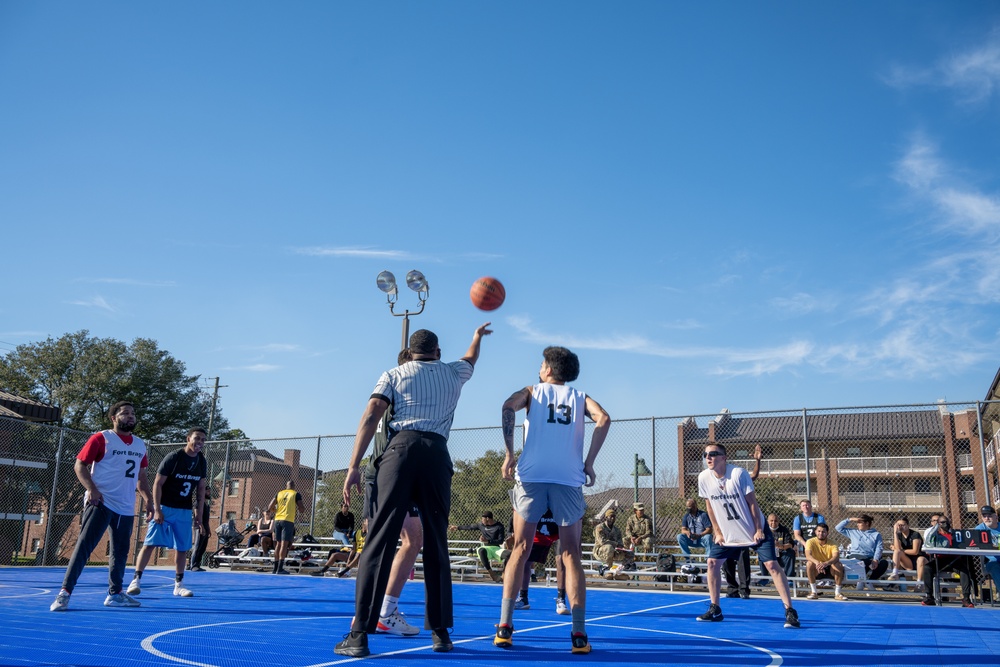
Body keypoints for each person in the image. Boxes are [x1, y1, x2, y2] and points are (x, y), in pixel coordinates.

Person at [334, 324, 491, 658]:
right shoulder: (452, 372)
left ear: (411, 350)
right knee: (436, 542)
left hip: (400, 453)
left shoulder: (393, 373)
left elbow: (372, 413)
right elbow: (471, 359)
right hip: (436, 454)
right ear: (437, 351)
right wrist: (476, 336)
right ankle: (441, 634)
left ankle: (359, 635)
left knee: (380, 541)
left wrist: (353, 466)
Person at [494, 345, 610, 654]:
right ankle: (579, 634)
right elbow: (604, 419)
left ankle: (505, 626)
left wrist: (509, 452)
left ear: (548, 369)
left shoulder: (532, 392)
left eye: (542, 363)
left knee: (520, 548)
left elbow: (507, 406)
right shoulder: (581, 398)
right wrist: (589, 462)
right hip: (568, 478)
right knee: (571, 555)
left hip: (532, 476)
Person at [50, 401, 154, 611]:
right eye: (125, 413)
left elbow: (141, 477)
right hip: (102, 502)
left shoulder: (139, 445)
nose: (131, 416)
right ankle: (64, 593)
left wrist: (149, 500)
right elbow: (80, 465)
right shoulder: (101, 438)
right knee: (84, 547)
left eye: (133, 413)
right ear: (114, 418)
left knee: (120, 552)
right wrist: (93, 490)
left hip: (125, 507)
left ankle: (115, 594)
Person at [695, 444, 800, 629]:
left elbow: (752, 503)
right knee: (712, 563)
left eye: (712, 454)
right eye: (705, 454)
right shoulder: (703, 478)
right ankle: (715, 609)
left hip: (752, 529)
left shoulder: (738, 474)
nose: (708, 457)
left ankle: (790, 611)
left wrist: (759, 529)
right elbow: (709, 506)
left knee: (771, 565)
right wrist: (717, 531)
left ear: (723, 457)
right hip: (728, 532)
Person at [127, 427, 208, 599]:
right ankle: (136, 580)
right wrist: (157, 509)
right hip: (165, 507)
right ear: (188, 438)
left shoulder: (201, 461)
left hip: (184, 510)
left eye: (203, 440)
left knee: (183, 548)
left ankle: (179, 585)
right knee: (150, 543)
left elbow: (201, 490)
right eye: (197, 438)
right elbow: (157, 484)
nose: (199, 442)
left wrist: (199, 515)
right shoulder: (174, 457)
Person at [509, 509, 560, 610]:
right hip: (537, 535)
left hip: (559, 529)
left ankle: (562, 599)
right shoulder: (530, 503)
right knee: (524, 563)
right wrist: (511, 532)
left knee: (564, 562)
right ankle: (523, 598)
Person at [921, 515, 974, 607]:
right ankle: (929, 597)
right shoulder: (935, 535)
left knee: (964, 571)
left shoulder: (956, 534)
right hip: (940, 560)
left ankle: (966, 598)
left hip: (954, 560)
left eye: (946, 522)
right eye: (942, 522)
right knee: (927, 568)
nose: (945, 524)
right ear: (938, 524)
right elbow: (928, 547)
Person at [449, 511, 507, 582]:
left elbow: (500, 541)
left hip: (496, 548)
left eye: (483, 519)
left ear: (488, 518)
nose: (481, 520)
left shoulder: (499, 526)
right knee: (481, 550)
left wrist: (488, 541)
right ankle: (492, 574)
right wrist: (457, 527)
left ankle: (504, 575)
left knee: (509, 555)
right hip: (486, 548)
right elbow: (470, 527)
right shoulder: (481, 525)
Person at [835, 515, 889, 589]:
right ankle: (860, 580)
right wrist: (849, 519)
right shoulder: (853, 532)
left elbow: (879, 548)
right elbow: (838, 528)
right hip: (855, 557)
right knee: (863, 562)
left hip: (869, 559)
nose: (857, 524)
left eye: (860, 522)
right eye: (857, 522)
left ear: (867, 523)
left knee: (884, 563)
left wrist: (875, 559)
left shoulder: (876, 535)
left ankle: (869, 581)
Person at [268, 480, 306, 575]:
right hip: (287, 520)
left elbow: (269, 507)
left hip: (278, 520)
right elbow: (301, 509)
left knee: (278, 544)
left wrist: (276, 510)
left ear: (286, 486)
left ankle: (275, 568)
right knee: (284, 545)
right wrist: (301, 509)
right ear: (294, 486)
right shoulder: (295, 494)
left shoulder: (279, 493)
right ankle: (280, 568)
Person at [804, 522, 848, 600]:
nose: (821, 533)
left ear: (827, 533)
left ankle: (837, 593)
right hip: (817, 568)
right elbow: (808, 556)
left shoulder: (833, 543)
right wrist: (817, 563)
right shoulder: (810, 542)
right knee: (809, 564)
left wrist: (826, 563)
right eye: (819, 531)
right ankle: (814, 592)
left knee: (838, 564)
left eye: (823, 531)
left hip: (830, 568)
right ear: (815, 532)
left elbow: (836, 557)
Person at [887, 516, 926, 591]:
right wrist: (895, 533)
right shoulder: (899, 535)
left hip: (919, 561)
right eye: (899, 525)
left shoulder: (915, 534)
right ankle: (895, 573)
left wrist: (901, 550)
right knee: (896, 551)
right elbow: (897, 549)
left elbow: (915, 551)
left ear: (908, 525)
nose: (900, 527)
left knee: (920, 559)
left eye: (903, 525)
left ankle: (919, 583)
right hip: (908, 562)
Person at [593, 509, 634, 575]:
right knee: (609, 547)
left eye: (614, 517)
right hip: (600, 552)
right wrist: (615, 544)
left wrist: (622, 548)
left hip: (614, 551)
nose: (613, 518)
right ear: (606, 517)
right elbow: (602, 542)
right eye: (611, 516)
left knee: (630, 553)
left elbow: (620, 543)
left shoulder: (617, 530)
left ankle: (623, 571)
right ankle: (608, 570)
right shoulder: (600, 527)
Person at [758, 513, 796, 582]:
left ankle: (789, 579)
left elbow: (790, 544)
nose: (773, 522)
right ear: (767, 521)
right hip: (769, 555)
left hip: (781, 555)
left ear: (779, 521)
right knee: (761, 554)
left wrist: (781, 546)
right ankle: (764, 578)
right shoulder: (763, 530)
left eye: (775, 521)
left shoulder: (784, 530)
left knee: (791, 552)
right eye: (771, 520)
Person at [971, 506, 1000, 594]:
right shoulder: (979, 529)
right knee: (995, 567)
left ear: (996, 516)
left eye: (989, 516)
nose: (987, 518)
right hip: (990, 561)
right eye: (984, 516)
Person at [188, 497, 211, 571]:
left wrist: (208, 529)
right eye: (207, 491)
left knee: (202, 547)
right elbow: (197, 516)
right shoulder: (198, 503)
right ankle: (192, 564)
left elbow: (206, 519)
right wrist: (201, 527)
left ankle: (197, 564)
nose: (209, 493)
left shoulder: (206, 504)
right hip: (199, 528)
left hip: (205, 527)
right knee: (197, 547)